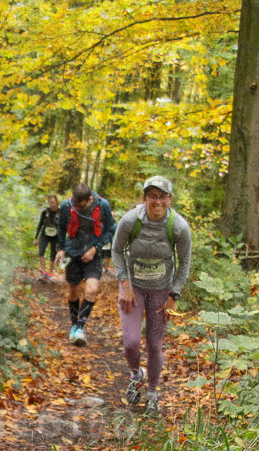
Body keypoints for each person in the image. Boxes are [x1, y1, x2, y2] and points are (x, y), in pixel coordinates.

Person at [111, 175, 192, 415]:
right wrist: (124, 283)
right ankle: (136, 375)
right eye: (152, 196)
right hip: (132, 288)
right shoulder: (130, 220)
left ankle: (153, 393)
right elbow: (116, 251)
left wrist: (174, 295)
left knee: (155, 345)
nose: (157, 201)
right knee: (131, 343)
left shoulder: (178, 227)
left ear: (169, 199)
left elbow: (184, 262)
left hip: (161, 289)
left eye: (162, 196)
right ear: (145, 198)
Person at [53, 183, 116, 346]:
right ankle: (74, 325)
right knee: (74, 291)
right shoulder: (67, 205)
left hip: (94, 254)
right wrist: (60, 248)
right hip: (73, 252)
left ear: (89, 200)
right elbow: (60, 227)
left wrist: (96, 248)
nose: (77, 208)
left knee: (92, 289)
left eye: (79, 205)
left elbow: (111, 229)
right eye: (75, 204)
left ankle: (79, 327)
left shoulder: (103, 206)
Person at [33, 195, 61, 279]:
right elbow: (40, 224)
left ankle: (50, 273)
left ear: (57, 202)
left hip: (55, 236)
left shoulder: (60, 213)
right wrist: (36, 238)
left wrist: (61, 241)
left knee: (53, 254)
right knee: (41, 252)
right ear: (49, 203)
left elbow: (63, 226)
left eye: (54, 202)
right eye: (50, 202)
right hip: (44, 234)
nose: (52, 204)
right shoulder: (45, 212)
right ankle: (44, 272)